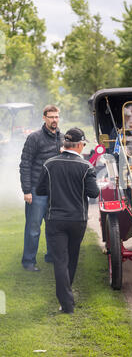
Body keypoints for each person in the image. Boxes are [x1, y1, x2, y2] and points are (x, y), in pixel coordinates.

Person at [36, 127, 99, 314]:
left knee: (60, 261)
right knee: (71, 259)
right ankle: (66, 301)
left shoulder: (49, 164)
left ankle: (66, 302)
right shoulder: (86, 166)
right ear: (79, 145)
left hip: (55, 219)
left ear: (65, 143)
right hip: (77, 220)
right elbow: (94, 193)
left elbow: (40, 190)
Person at [19, 105, 63, 271]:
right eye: (51, 117)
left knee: (53, 227)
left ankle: (51, 256)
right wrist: (27, 190)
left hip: (55, 192)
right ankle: (28, 261)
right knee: (33, 228)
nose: (54, 120)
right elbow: (25, 164)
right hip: (37, 191)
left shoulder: (62, 137)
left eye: (56, 117)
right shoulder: (34, 138)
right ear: (44, 118)